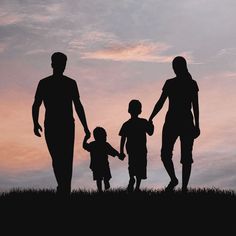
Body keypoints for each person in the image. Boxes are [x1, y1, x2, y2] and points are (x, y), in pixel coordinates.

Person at [32, 52, 90, 196]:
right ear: (52, 64)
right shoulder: (44, 83)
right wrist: (35, 122)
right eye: (59, 63)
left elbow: (78, 105)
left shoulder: (71, 83)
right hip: (51, 124)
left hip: (67, 125)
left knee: (66, 158)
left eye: (63, 64)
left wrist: (85, 126)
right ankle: (63, 186)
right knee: (57, 158)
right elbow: (36, 104)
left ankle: (65, 190)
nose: (61, 66)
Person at [149, 56, 200, 193]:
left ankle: (184, 188)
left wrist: (197, 125)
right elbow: (160, 102)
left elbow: (195, 106)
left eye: (175, 66)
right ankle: (174, 179)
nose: (174, 69)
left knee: (186, 156)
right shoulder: (170, 83)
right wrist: (151, 116)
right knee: (165, 154)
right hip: (172, 121)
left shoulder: (191, 84)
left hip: (184, 122)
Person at [119, 100, 154, 192]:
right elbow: (150, 132)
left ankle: (132, 179)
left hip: (132, 149)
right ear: (140, 111)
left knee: (132, 165)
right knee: (140, 167)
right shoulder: (143, 122)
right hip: (141, 149)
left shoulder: (126, 124)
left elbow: (123, 139)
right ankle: (137, 186)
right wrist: (151, 124)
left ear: (129, 110)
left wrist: (121, 151)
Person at [83, 127, 123, 192]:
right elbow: (113, 151)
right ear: (99, 136)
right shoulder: (102, 144)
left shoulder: (94, 144)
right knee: (100, 178)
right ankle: (101, 188)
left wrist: (86, 138)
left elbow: (84, 145)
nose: (106, 137)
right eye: (104, 135)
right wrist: (119, 155)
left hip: (98, 165)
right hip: (101, 164)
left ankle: (103, 186)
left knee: (101, 178)